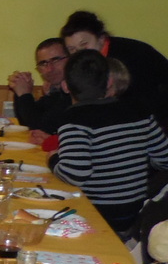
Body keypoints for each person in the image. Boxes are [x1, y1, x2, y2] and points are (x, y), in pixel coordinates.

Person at [48, 51, 168, 235]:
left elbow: (75, 173)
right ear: (109, 82)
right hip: (136, 213)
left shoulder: (74, 118)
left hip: (94, 214)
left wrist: (53, 160)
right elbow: (164, 158)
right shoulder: (139, 111)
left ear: (65, 86)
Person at [60, 10, 168, 126]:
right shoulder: (82, 64)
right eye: (72, 49)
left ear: (101, 39)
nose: (79, 53)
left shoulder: (129, 56)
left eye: (84, 44)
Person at [7, 38, 71, 142]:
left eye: (56, 60)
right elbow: (27, 123)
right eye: (43, 63)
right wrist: (20, 91)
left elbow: (39, 127)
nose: (50, 69)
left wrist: (24, 95)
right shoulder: (54, 90)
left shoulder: (76, 91)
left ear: (71, 59)